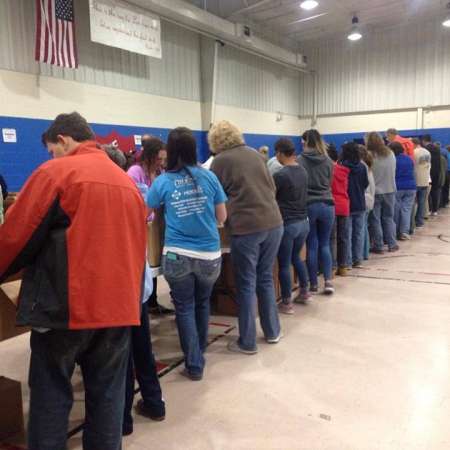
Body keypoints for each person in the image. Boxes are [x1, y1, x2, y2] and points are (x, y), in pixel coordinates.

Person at [0, 112, 147, 450]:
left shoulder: (57, 172)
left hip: (65, 308)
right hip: (119, 309)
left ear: (63, 140)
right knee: (108, 403)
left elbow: (15, 238)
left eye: (52, 150)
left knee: (51, 399)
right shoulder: (126, 182)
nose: (50, 157)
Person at [148, 127, 227, 380]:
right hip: (209, 255)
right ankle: (199, 352)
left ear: (169, 151)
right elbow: (222, 217)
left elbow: (144, 213)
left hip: (176, 255)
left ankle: (194, 363)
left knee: (184, 307)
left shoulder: (163, 181)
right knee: (203, 303)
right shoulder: (210, 178)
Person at [102, 143, 165, 436]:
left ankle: (123, 420)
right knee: (142, 350)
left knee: (121, 359)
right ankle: (154, 402)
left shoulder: (103, 196)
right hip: (137, 286)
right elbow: (149, 216)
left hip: (120, 290)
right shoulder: (135, 190)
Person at [210, 120, 283, 354]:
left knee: (246, 284)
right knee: (265, 279)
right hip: (273, 222)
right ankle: (272, 331)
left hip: (247, 227)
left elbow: (214, 195)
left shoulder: (220, 161)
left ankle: (248, 341)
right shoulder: (256, 155)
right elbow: (271, 188)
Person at [128, 137, 173, 315]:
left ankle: (153, 302)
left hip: (156, 226)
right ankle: (146, 303)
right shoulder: (135, 172)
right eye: (159, 159)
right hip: (143, 226)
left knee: (155, 265)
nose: (162, 163)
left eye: (164, 159)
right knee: (146, 265)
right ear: (149, 156)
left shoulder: (160, 174)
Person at [273, 138, 310, 314]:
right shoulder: (303, 171)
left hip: (288, 224)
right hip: (304, 222)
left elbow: (271, 198)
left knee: (285, 263)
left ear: (280, 153)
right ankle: (304, 291)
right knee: (297, 258)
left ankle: (286, 302)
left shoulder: (280, 175)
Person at [298, 129, 335, 295]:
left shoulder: (300, 160)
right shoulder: (328, 160)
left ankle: (313, 283)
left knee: (312, 244)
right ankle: (328, 281)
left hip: (309, 205)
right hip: (328, 204)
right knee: (325, 244)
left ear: (305, 141)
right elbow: (330, 182)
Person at [366, 132, 398, 254]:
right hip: (390, 190)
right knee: (389, 218)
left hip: (376, 192)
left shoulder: (369, 155)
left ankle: (378, 246)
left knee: (375, 220)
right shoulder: (390, 153)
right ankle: (392, 244)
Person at [340, 142, 369, 268]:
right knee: (359, 233)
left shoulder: (342, 167)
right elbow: (365, 184)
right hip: (360, 203)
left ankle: (348, 262)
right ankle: (358, 259)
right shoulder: (362, 166)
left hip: (347, 203)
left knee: (347, 235)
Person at [328, 146, 350, 276]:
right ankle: (343, 266)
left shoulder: (328, 170)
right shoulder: (344, 170)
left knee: (331, 238)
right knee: (343, 237)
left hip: (332, 205)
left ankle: (331, 266)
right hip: (344, 205)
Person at [389, 142, 416, 240]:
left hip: (398, 187)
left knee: (395, 210)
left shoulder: (393, 159)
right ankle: (404, 232)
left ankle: (395, 232)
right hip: (411, 187)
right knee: (406, 210)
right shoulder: (409, 158)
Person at [359, 146, 375, 260]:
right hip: (369, 199)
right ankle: (365, 252)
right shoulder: (367, 165)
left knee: (362, 228)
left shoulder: (361, 166)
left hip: (365, 199)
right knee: (364, 227)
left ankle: (362, 253)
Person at [412, 138, 431, 228]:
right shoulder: (427, 152)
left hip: (416, 181)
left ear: (413, 144)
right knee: (422, 203)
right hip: (425, 180)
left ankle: (411, 224)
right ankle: (420, 222)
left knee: (412, 204)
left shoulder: (414, 152)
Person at [422, 135, 442, 216]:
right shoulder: (437, 148)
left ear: (424, 140)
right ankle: (435, 210)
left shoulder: (426, 150)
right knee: (435, 191)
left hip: (429, 173)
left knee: (427, 192)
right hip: (437, 172)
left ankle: (429, 209)